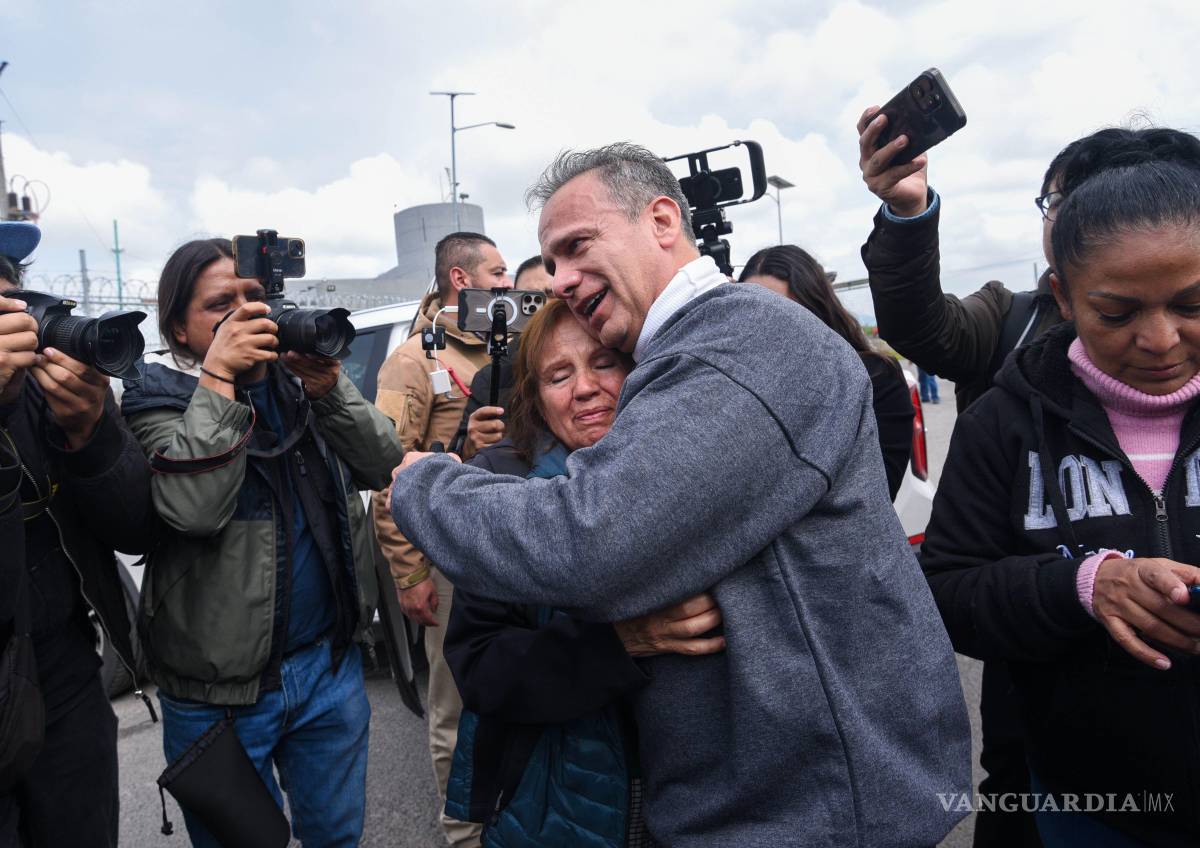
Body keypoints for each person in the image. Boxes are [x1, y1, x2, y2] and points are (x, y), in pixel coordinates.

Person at [389, 142, 970, 847]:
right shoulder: (676, 360)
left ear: (663, 221)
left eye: (577, 246)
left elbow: (591, 541)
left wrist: (424, 482)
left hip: (807, 822)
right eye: (554, 260)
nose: (563, 279)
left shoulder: (740, 345)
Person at [858, 118, 1200, 848]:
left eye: (1191, 304)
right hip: (1079, 799)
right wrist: (1080, 586)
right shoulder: (1008, 407)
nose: (1161, 339)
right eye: (1118, 312)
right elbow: (946, 590)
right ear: (1064, 294)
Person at [120, 238, 404, 847]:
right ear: (180, 329)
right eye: (221, 304)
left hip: (326, 670)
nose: (247, 314)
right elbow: (193, 510)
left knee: (337, 839)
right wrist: (221, 376)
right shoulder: (154, 402)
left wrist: (330, 389)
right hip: (217, 694)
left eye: (255, 297)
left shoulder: (299, 385)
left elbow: (384, 464)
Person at [443, 299, 726, 846]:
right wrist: (619, 644)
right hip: (559, 799)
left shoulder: (700, 466)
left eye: (603, 363)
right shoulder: (502, 491)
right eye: (558, 375)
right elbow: (480, 668)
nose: (585, 388)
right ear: (537, 402)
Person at [0, 221, 155, 848]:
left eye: (11, 295)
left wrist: (94, 434)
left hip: (63, 669)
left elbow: (137, 525)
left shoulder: (52, 391)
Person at [371, 230, 510, 847]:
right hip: (452, 561)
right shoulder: (413, 361)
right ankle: (463, 834)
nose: (508, 284)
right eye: (498, 272)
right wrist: (410, 572)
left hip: (512, 547)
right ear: (462, 278)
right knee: (454, 706)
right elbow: (387, 471)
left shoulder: (508, 346)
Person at [738, 244, 914, 501]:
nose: (767, 329)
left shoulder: (876, 377)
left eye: (782, 314)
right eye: (752, 314)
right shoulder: (734, 386)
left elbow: (877, 492)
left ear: (816, 309)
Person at [452, 254, 554, 459]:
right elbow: (461, 456)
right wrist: (469, 446)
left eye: (552, 294)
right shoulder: (492, 378)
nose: (546, 308)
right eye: (531, 301)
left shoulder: (610, 357)